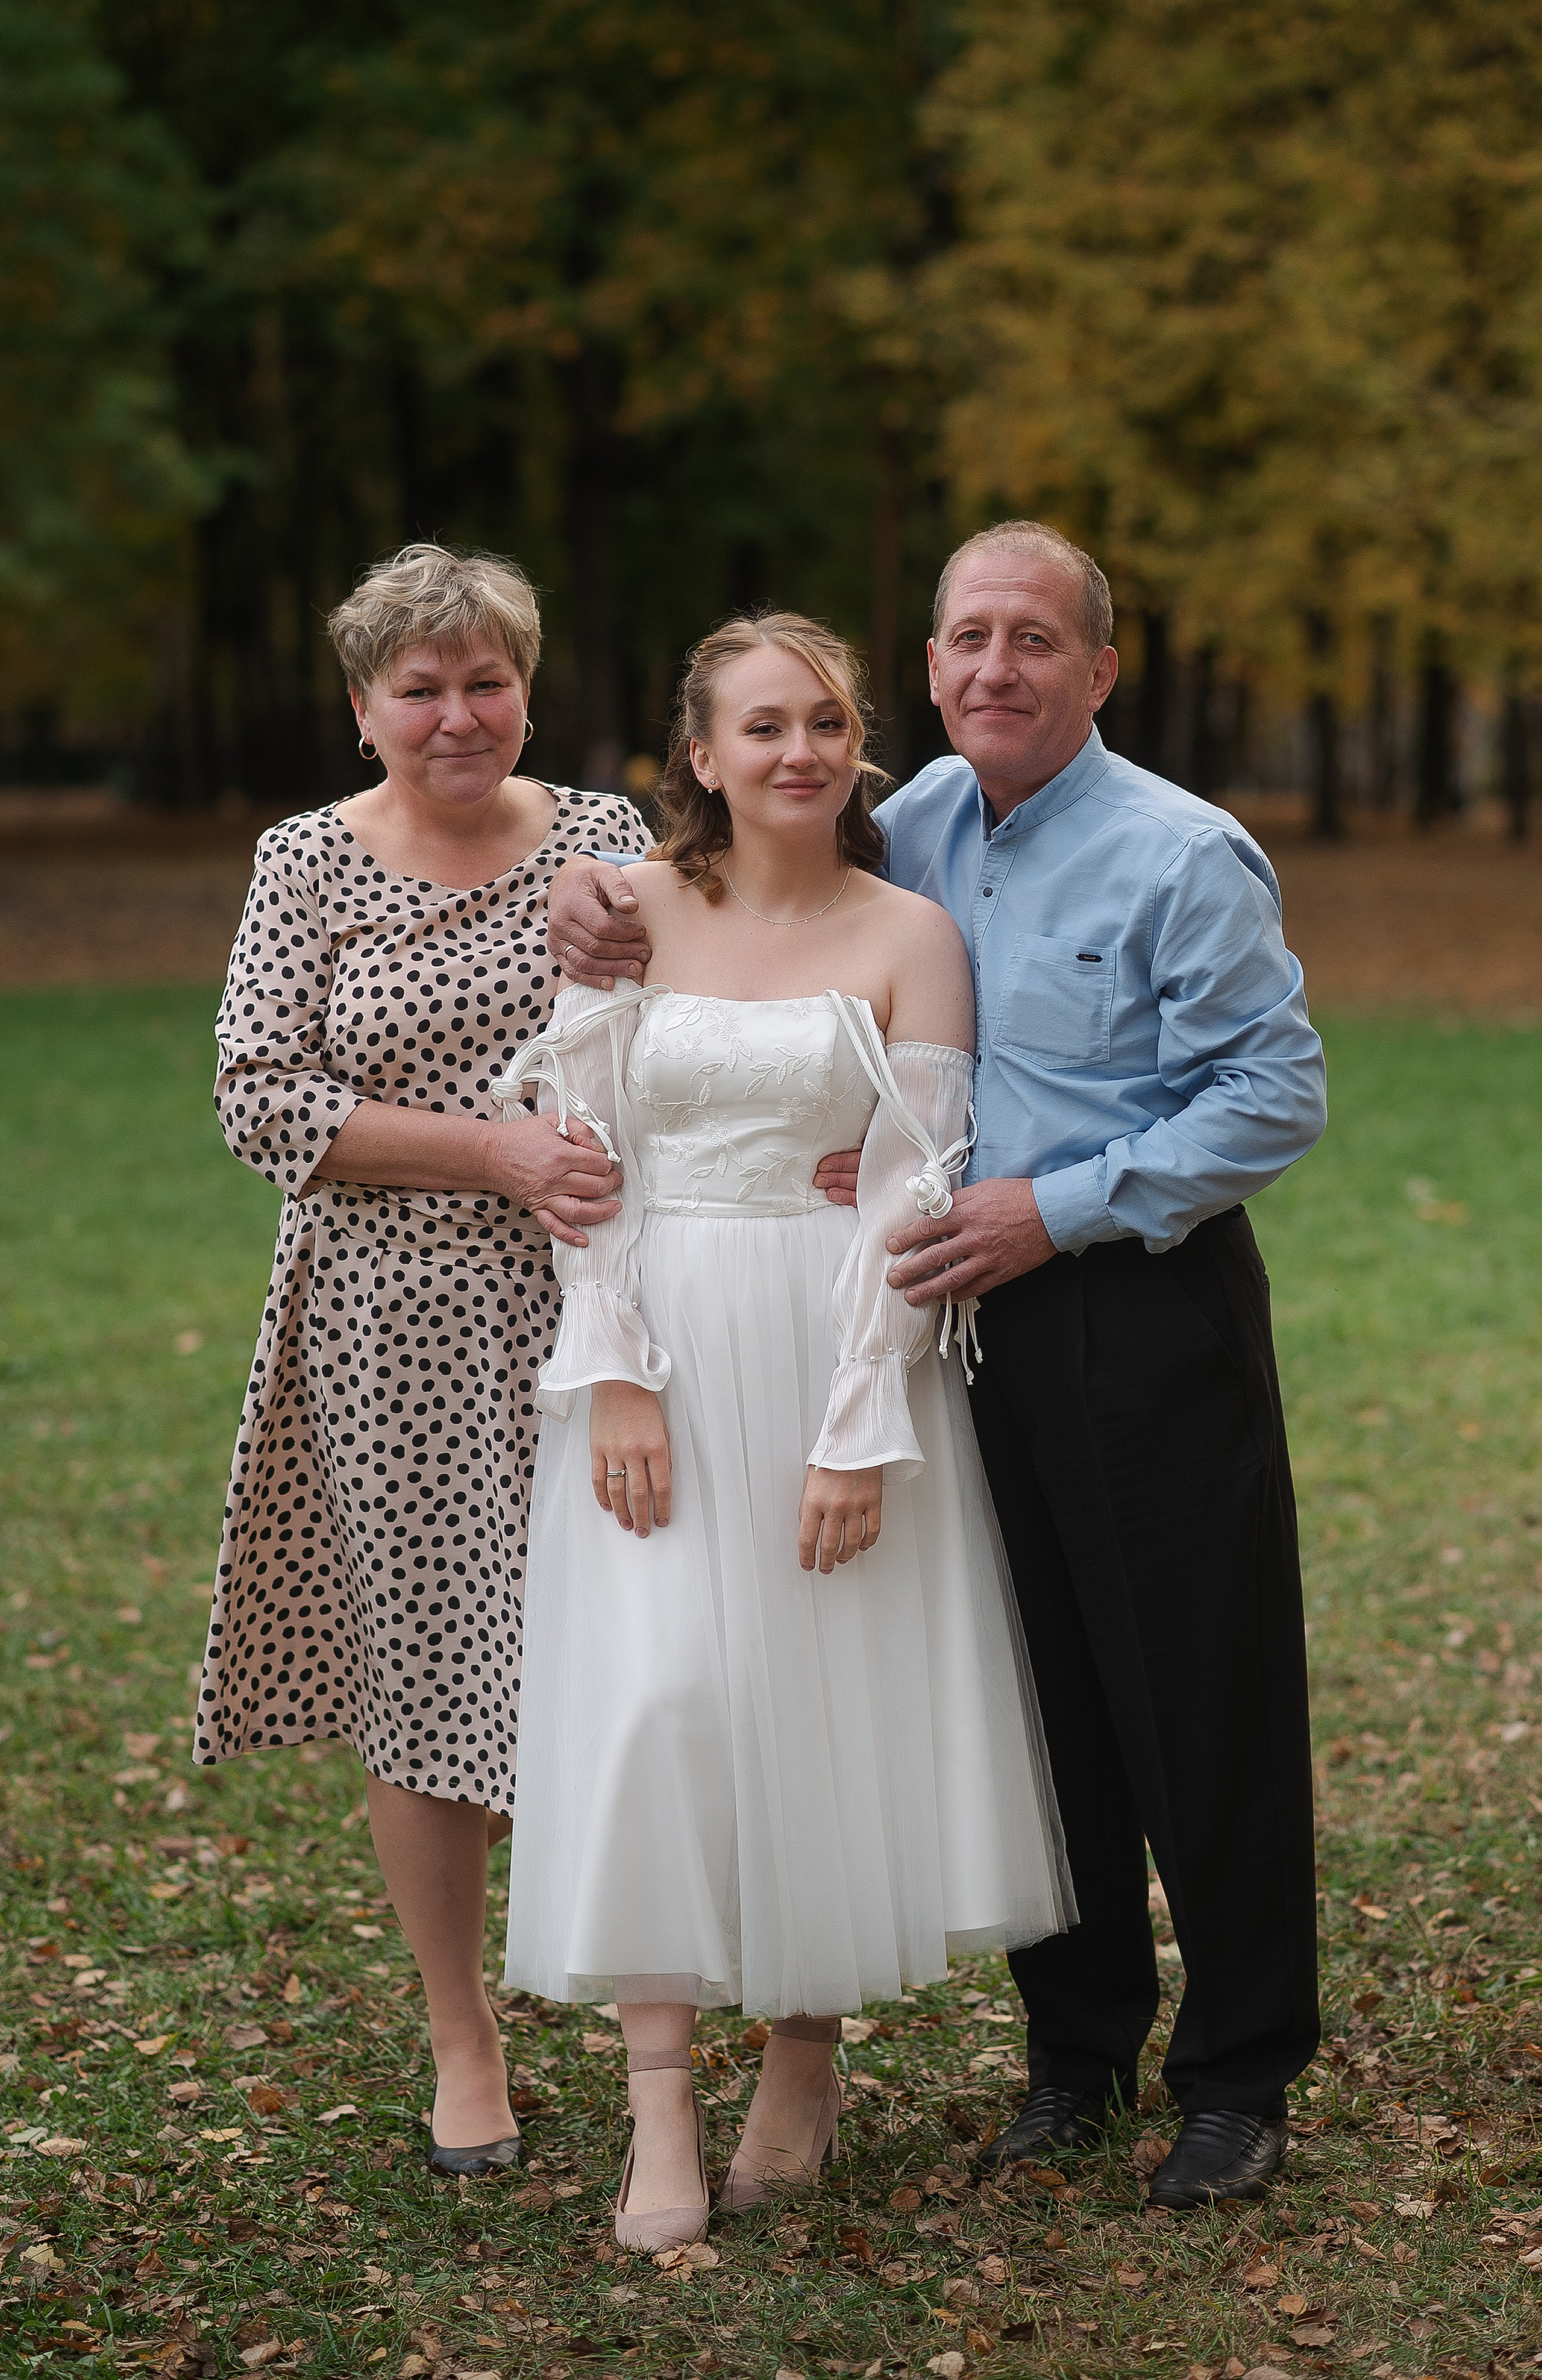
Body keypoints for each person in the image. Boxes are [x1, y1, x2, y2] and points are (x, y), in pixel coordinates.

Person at [546, 522, 1328, 2208]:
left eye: (1034, 638)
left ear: (1098, 668)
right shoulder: (905, 830)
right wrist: (586, 888)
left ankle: (1239, 2068)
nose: (997, 666)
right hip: (930, 1318)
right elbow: (738, 901)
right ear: (927, 668)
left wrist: (1049, 1207)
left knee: (1196, 1691)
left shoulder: (1180, 852)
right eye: (967, 636)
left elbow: (1273, 1093)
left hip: (1132, 1304)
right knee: (1036, 1687)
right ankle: (1076, 2049)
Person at [500, 612, 1069, 2252]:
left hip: (836, 1348)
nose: (797, 752)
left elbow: (912, 1191)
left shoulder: (910, 934)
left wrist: (856, 1423)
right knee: (663, 1700)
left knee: (818, 1699)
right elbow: (581, 1153)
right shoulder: (630, 918)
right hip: (656, 1341)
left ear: (857, 740)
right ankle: (659, 2103)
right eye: (760, 727)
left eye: (822, 721)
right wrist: (611, 1371)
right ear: (700, 754)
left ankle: (803, 2054)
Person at [194, 543, 650, 2177]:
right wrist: (496, 1153)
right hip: (388, 1327)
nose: (459, 715)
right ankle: (465, 2037)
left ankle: (642, 2001)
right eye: (421, 686)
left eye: (486, 679)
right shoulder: (306, 858)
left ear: (525, 684)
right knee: (425, 1676)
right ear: (364, 703)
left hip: (601, 1309)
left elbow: (701, 1020)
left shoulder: (608, 836)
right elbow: (260, 1099)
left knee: (625, 1648)